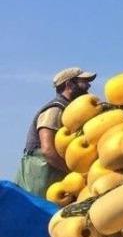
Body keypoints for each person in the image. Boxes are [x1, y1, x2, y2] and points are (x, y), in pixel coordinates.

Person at [15, 68, 96, 197]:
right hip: (41, 174)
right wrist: (73, 171)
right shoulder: (54, 110)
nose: (88, 86)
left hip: (54, 172)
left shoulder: (71, 111)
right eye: (84, 82)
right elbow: (47, 150)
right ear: (69, 85)